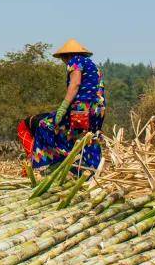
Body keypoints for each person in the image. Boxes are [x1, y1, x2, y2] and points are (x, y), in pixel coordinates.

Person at [17, 39, 107, 174]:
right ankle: (91, 172)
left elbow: (75, 84)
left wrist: (63, 107)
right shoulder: (93, 66)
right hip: (98, 110)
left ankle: (53, 166)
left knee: (45, 126)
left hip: (81, 109)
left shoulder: (74, 61)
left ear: (67, 55)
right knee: (89, 138)